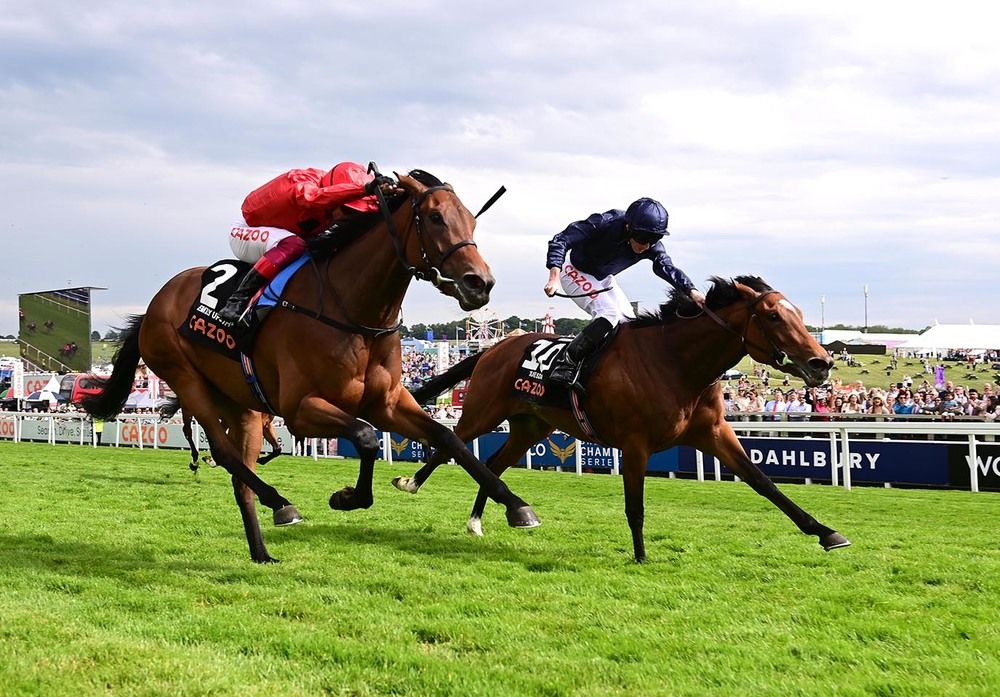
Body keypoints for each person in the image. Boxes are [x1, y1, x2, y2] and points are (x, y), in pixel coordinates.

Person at [542, 197, 705, 390]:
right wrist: (554, 275)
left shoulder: (650, 244)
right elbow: (561, 239)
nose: (646, 246)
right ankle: (565, 365)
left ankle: (609, 371)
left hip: (604, 278)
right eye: (643, 239)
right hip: (574, 271)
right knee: (609, 314)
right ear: (628, 227)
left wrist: (692, 290)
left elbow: (666, 267)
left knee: (629, 324)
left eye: (654, 240)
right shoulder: (605, 221)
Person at [218, 162, 396, 324]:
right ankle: (237, 301)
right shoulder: (302, 181)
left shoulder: (337, 194)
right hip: (246, 230)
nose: (347, 217)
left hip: (282, 235)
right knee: (294, 245)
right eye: (346, 210)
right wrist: (363, 189)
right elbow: (313, 197)